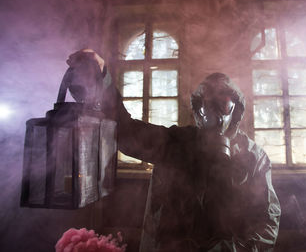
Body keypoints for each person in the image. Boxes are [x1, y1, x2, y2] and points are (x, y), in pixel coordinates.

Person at [67, 49, 281, 252]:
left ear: (235, 108)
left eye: (223, 104)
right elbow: (126, 132)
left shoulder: (254, 157)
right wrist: (99, 80)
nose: (215, 114)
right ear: (198, 110)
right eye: (207, 103)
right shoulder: (176, 143)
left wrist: (233, 250)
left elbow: (267, 221)